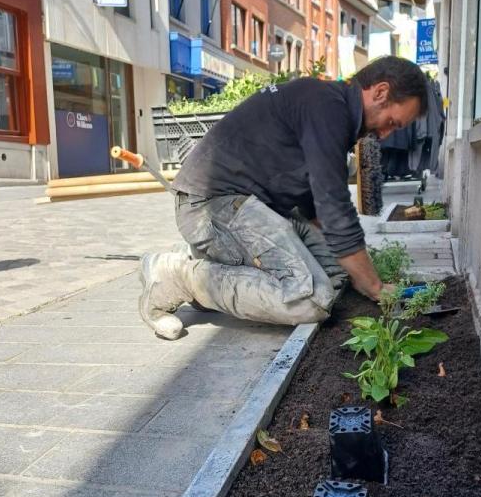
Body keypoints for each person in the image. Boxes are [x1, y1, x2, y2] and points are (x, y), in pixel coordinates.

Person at [139, 56, 429, 340]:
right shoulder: (328, 108)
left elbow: (316, 206)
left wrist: (354, 269)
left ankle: (211, 265)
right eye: (392, 122)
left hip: (248, 206)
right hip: (211, 206)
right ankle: (177, 276)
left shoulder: (326, 107)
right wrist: (376, 287)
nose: (387, 134)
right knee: (310, 299)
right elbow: (335, 208)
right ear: (380, 92)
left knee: (336, 275)